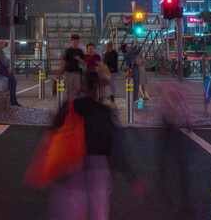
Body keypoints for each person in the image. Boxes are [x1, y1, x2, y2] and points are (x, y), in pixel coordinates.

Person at [49, 77, 142, 220]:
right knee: (99, 210)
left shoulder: (69, 107)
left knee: (72, 208)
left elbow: (53, 132)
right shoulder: (104, 112)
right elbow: (116, 145)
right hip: (98, 166)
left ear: (82, 88)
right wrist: (131, 177)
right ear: (97, 91)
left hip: (72, 164)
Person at [0, 41, 21, 107]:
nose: (4, 44)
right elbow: (5, 62)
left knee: (10, 83)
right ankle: (12, 101)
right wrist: (9, 62)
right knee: (12, 82)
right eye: (3, 43)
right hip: (2, 70)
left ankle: (11, 101)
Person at [60, 34, 85, 99]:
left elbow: (84, 62)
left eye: (76, 41)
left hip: (77, 72)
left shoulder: (80, 51)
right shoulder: (68, 51)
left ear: (78, 42)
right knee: (68, 88)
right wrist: (61, 71)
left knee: (78, 88)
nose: (75, 42)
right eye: (73, 41)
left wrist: (79, 59)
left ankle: (75, 102)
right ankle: (68, 103)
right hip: (68, 72)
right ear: (71, 41)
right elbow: (64, 61)